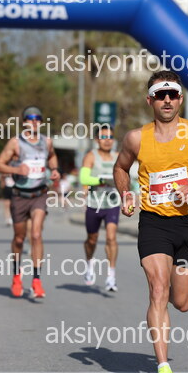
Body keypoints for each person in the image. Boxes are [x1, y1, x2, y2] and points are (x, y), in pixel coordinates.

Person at [113, 70, 188, 373]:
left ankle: (167, 304)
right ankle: (163, 364)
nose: (166, 100)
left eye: (172, 94)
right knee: (157, 290)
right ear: (149, 100)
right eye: (160, 95)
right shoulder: (136, 138)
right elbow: (120, 167)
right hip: (154, 222)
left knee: (182, 302)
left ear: (180, 99)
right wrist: (125, 193)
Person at [0, 106, 60, 299]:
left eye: (38, 119)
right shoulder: (16, 143)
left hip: (39, 194)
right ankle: (16, 275)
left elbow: (52, 156)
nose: (34, 122)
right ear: (24, 122)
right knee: (19, 238)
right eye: (30, 119)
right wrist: (16, 170)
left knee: (36, 234)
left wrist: (55, 170)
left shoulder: (46, 141)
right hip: (20, 195)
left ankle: (36, 281)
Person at [80, 124, 120, 292]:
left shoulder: (118, 156)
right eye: (103, 137)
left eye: (110, 137)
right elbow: (84, 178)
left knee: (111, 237)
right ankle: (90, 265)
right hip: (94, 203)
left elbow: (126, 176)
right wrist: (101, 181)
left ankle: (111, 276)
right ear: (97, 140)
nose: (107, 140)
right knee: (92, 239)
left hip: (112, 202)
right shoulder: (91, 156)